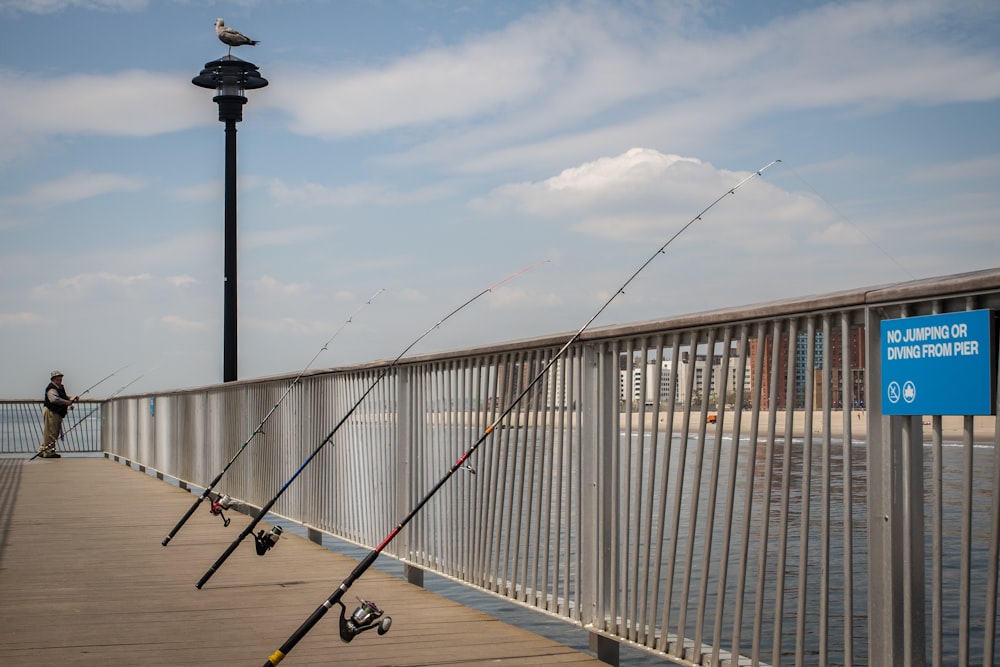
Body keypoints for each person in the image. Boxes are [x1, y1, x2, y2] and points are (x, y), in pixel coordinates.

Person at [38, 370, 78, 459]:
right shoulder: (51, 388)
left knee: (50, 431)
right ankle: (49, 452)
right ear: (53, 379)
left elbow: (62, 397)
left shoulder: (59, 387)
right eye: (57, 377)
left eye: (60, 377)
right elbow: (54, 399)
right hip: (51, 411)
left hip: (56, 412)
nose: (59, 379)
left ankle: (42, 450)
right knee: (51, 432)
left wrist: (71, 398)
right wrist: (67, 402)